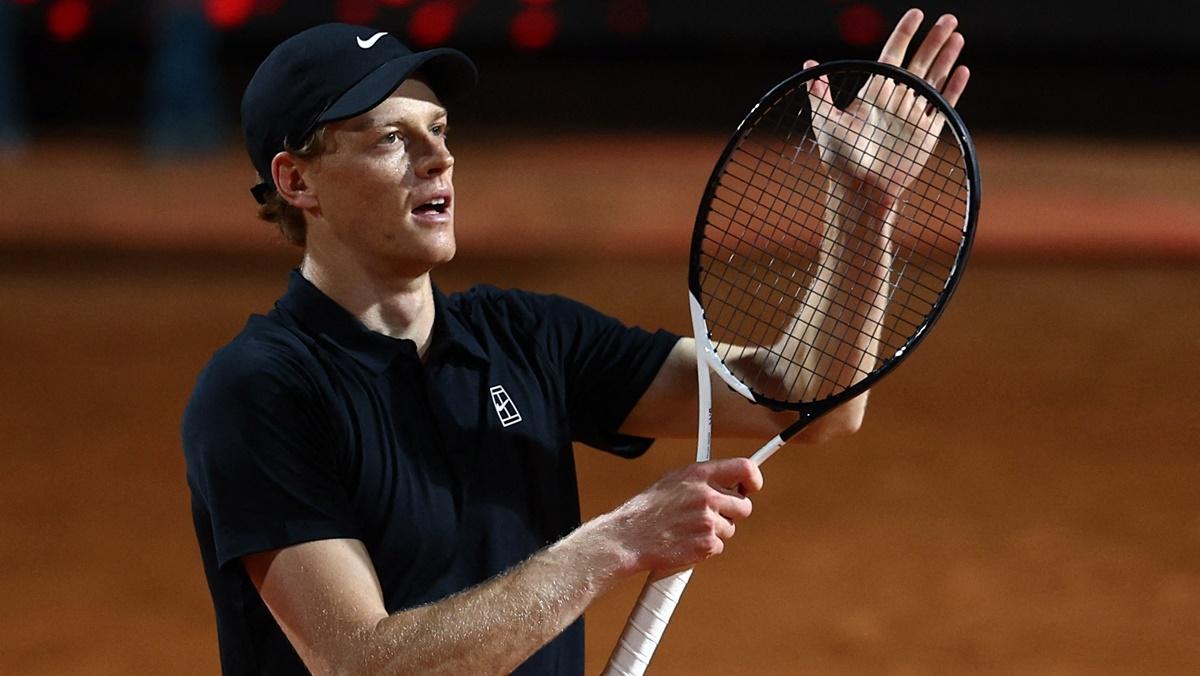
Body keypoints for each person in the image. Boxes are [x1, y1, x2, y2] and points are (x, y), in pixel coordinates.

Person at [182, 9, 968, 675]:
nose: (439, 158)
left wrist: (865, 207)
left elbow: (810, 400)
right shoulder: (262, 389)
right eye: (390, 138)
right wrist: (618, 541)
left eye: (440, 129)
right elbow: (360, 662)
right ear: (296, 181)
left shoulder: (524, 337)